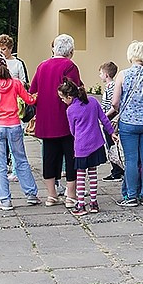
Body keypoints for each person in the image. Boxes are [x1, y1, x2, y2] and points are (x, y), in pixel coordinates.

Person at [29, 34, 82, 206]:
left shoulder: (42, 66)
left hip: (46, 118)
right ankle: (71, 195)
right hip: (66, 119)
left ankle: (51, 195)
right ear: (71, 51)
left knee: (49, 157)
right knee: (71, 156)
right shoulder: (69, 66)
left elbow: (33, 90)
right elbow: (75, 90)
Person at [0, 58, 39, 210]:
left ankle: (5, 200)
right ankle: (31, 194)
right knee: (21, 159)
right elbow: (30, 100)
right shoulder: (16, 83)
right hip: (14, 125)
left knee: (0, 164)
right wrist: (39, 94)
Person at [111, 41, 143, 207]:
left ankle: (131, 196)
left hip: (129, 123)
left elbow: (115, 101)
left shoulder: (123, 75)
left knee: (131, 160)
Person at [59, 79, 114, 215]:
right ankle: (94, 203)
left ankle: (81, 204)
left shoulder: (71, 110)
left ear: (69, 97)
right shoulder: (93, 101)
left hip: (81, 146)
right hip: (96, 143)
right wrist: (112, 133)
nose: (62, 101)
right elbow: (104, 119)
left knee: (81, 175)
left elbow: (72, 131)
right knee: (93, 173)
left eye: (62, 98)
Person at [98, 61, 123, 182]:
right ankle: (116, 169)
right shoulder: (109, 86)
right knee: (110, 144)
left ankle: (117, 170)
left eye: (101, 73)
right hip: (107, 118)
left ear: (106, 74)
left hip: (110, 119)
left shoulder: (112, 87)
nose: (100, 76)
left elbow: (114, 105)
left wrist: (104, 116)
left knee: (112, 145)